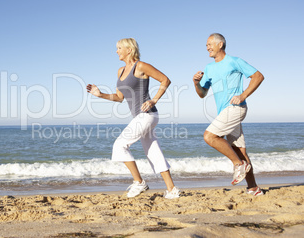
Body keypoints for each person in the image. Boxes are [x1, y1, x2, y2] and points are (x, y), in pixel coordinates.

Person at [86, 38, 180, 199]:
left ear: (129, 50)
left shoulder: (141, 66)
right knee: (153, 152)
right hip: (141, 117)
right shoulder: (120, 71)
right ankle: (172, 189)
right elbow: (119, 97)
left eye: (119, 48)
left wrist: (153, 100)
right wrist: (99, 94)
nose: (116, 51)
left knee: (119, 146)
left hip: (147, 115)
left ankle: (139, 182)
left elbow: (165, 80)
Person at [193, 33, 265, 196]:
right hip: (224, 113)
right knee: (240, 151)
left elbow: (258, 76)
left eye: (210, 44)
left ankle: (237, 164)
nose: (207, 48)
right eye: (206, 45)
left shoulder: (235, 61)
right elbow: (202, 93)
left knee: (209, 137)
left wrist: (243, 95)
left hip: (236, 108)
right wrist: (196, 83)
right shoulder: (209, 68)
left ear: (220, 44)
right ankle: (253, 188)